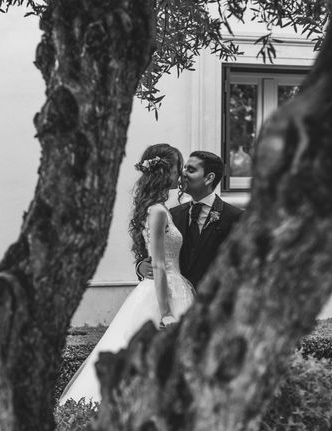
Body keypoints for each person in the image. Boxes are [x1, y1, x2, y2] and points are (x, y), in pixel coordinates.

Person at [58, 144, 195, 404]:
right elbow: (157, 265)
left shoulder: (161, 209)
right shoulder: (157, 211)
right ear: (166, 172)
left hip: (174, 288)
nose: (181, 175)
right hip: (162, 295)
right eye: (179, 168)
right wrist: (166, 313)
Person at [136, 150, 243, 287]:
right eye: (184, 168)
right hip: (177, 297)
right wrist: (140, 267)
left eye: (190, 170)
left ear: (209, 178)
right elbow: (151, 252)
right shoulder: (172, 214)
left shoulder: (235, 217)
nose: (183, 173)